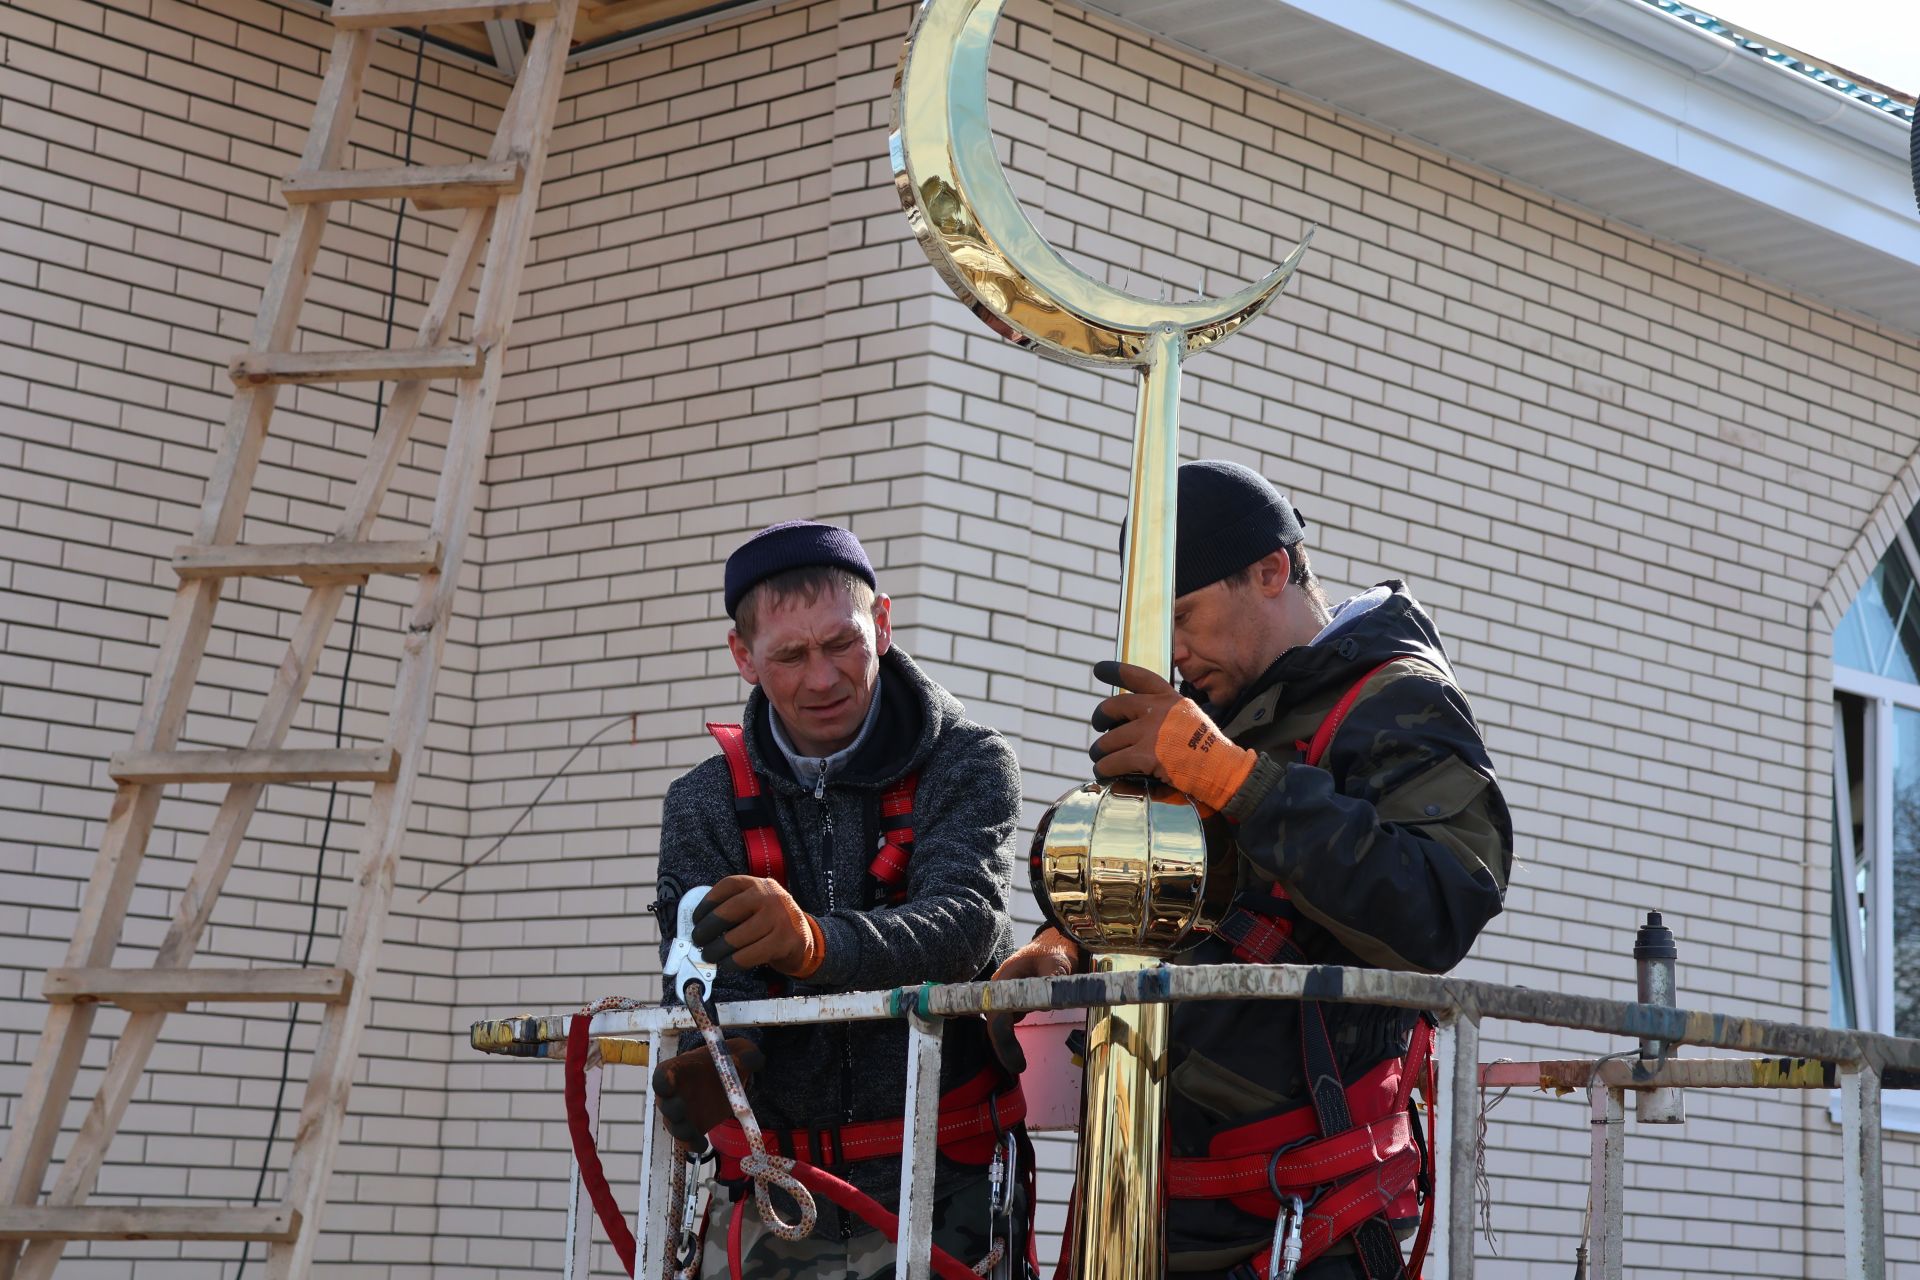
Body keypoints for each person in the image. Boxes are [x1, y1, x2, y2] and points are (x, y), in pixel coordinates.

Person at [993, 461, 1513, 1279]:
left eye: (1187, 616)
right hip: (1156, 1200)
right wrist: (1069, 946)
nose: (1174, 650)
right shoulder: (1212, 716)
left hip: (1311, 1216)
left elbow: (1438, 907)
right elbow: (1187, 894)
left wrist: (1235, 780)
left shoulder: (1394, 700)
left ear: (1272, 571)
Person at [651, 519, 1031, 1280]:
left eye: (842, 643)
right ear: (744, 658)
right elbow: (705, 978)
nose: (822, 679)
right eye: (790, 655)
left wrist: (813, 945)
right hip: (772, 1198)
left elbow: (962, 925)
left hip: (944, 1186)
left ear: (882, 624)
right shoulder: (703, 802)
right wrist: (712, 1051)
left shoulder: (971, 761)